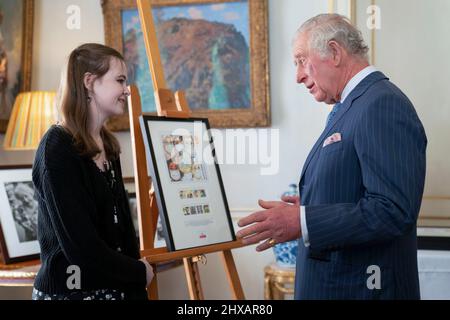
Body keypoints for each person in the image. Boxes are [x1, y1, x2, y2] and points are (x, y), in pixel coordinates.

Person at [237, 14, 427, 299]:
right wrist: (313, 204)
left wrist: (301, 221)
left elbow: (393, 210)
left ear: (335, 52)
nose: (298, 76)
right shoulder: (354, 105)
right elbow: (361, 190)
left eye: (301, 60)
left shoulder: (381, 104)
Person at [31, 43, 154, 300]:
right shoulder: (57, 147)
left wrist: (137, 281)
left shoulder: (108, 145)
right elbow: (80, 247)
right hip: (70, 292)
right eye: (120, 80)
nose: (126, 90)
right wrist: (136, 272)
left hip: (114, 288)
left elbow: (124, 233)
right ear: (89, 81)